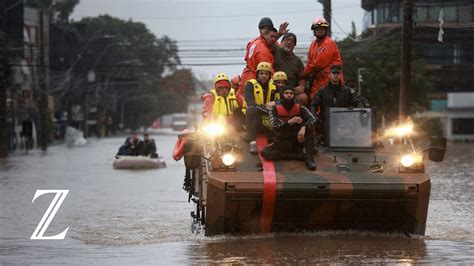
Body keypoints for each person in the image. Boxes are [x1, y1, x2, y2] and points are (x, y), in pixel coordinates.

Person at [261, 85, 317, 170]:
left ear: (294, 95)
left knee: (309, 128)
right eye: (286, 93)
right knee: (264, 152)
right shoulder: (274, 109)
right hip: (281, 141)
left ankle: (309, 159)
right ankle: (297, 156)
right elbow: (274, 125)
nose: (289, 95)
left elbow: (312, 118)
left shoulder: (300, 107)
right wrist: (289, 122)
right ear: (282, 95)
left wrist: (304, 127)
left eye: (291, 93)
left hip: (296, 141)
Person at [311, 65, 365, 145]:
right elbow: (314, 105)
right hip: (326, 125)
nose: (336, 75)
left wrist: (357, 114)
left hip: (345, 124)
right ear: (329, 75)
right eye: (333, 73)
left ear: (340, 75)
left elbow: (359, 102)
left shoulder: (347, 90)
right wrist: (314, 117)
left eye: (338, 73)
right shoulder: (322, 90)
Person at [238, 17, 288, 97]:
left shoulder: (255, 41)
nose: (265, 30)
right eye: (263, 28)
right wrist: (281, 87)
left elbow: (270, 40)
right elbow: (269, 73)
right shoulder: (263, 51)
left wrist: (278, 34)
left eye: (268, 28)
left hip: (247, 77)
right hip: (255, 83)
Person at [300, 17, 343, 102]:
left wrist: (304, 73)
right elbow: (310, 62)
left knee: (327, 103)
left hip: (330, 80)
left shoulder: (328, 43)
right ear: (314, 30)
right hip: (318, 80)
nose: (319, 30)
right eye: (317, 28)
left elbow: (318, 64)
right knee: (314, 99)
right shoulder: (313, 44)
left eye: (322, 28)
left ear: (326, 30)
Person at [242, 62, 280, 153]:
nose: (264, 76)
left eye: (266, 74)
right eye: (261, 73)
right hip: (254, 117)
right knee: (251, 109)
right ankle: (252, 142)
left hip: (269, 119)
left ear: (270, 75)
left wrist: (275, 102)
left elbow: (282, 101)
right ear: (257, 74)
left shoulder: (274, 85)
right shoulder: (250, 85)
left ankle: (276, 140)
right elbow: (250, 103)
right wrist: (267, 111)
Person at [273, 32, 308, 105]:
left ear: (294, 45)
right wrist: (279, 33)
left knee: (303, 97)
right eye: (287, 39)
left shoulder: (297, 60)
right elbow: (269, 41)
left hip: (290, 92)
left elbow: (302, 77)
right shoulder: (275, 51)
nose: (289, 42)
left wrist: (301, 86)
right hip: (274, 89)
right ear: (281, 42)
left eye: (292, 41)